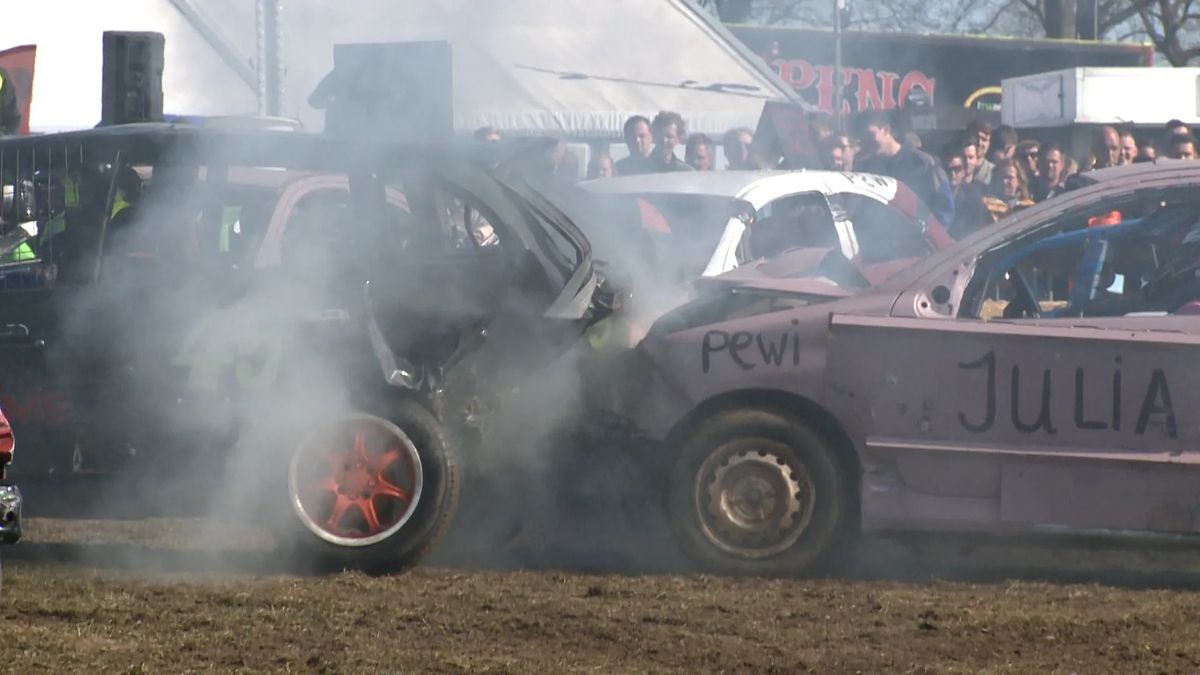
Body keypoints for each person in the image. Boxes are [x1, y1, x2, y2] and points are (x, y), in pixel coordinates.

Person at [855, 110, 954, 225]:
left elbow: (944, 211)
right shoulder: (866, 168)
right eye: (863, 138)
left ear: (886, 129)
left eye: (870, 135)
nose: (867, 142)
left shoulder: (923, 163)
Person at [942, 148, 988, 238]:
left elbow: (978, 228)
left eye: (957, 169)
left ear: (963, 171)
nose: (952, 173)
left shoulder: (973, 195)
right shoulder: (936, 195)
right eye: (948, 169)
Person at [966, 119, 995, 185]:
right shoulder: (957, 169)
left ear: (989, 143)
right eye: (976, 137)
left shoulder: (994, 172)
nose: (979, 143)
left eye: (984, 139)